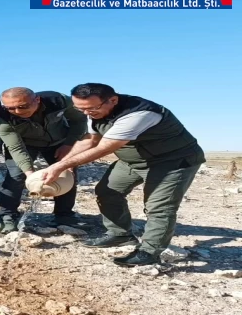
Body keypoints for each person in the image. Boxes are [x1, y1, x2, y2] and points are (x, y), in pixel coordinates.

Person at [38, 83, 206, 266]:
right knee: (107, 191)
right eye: (80, 109)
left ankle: (150, 252)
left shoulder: (139, 114)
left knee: (159, 206)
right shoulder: (94, 112)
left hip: (172, 162)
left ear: (113, 100)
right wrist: (63, 164)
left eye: (90, 108)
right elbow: (91, 140)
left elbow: (104, 148)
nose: (86, 113)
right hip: (133, 160)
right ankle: (120, 234)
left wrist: (61, 166)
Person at [0, 87, 87, 233]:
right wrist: (30, 175)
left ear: (37, 100)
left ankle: (64, 215)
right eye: (11, 108)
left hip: (59, 141)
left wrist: (69, 145)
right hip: (25, 144)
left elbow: (79, 120)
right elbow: (15, 147)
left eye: (22, 106)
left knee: (66, 174)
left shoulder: (58, 101)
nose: (17, 111)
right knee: (16, 176)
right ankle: (7, 216)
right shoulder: (2, 115)